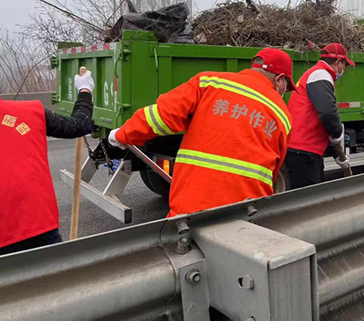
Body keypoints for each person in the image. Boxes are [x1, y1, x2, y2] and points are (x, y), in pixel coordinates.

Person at [108, 49, 295, 217]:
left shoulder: (209, 83)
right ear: (279, 80)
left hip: (192, 208)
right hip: (246, 213)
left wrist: (122, 134)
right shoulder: (282, 114)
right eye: (287, 86)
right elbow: (274, 170)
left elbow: (161, 116)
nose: (284, 92)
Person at [0, 71, 94, 255]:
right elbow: (79, 125)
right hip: (38, 227)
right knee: (55, 281)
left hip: (34, 228)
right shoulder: (29, 112)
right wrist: (85, 90)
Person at [284, 43, 355, 188]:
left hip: (301, 149)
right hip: (303, 151)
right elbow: (328, 113)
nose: (344, 70)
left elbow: (320, 120)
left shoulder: (315, 74)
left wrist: (337, 154)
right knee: (308, 200)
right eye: (345, 66)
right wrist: (337, 132)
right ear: (338, 62)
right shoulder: (321, 75)